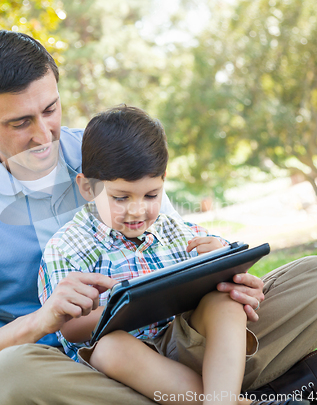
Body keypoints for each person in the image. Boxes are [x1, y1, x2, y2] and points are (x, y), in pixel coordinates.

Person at [0, 29, 317, 405]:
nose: (43, 135)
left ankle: (208, 393)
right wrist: (43, 319)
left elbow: (170, 243)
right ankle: (265, 392)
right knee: (8, 376)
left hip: (175, 338)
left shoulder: (102, 149)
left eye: (50, 110)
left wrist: (224, 274)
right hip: (76, 370)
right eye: (19, 122)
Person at [37, 105, 301, 405]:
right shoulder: (67, 247)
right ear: (87, 187)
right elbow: (70, 329)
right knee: (111, 348)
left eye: (151, 195)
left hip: (184, 350)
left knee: (229, 299)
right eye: (120, 198)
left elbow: (233, 292)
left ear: (163, 181)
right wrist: (137, 303)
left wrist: (225, 265)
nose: (137, 210)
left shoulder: (181, 232)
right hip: (117, 372)